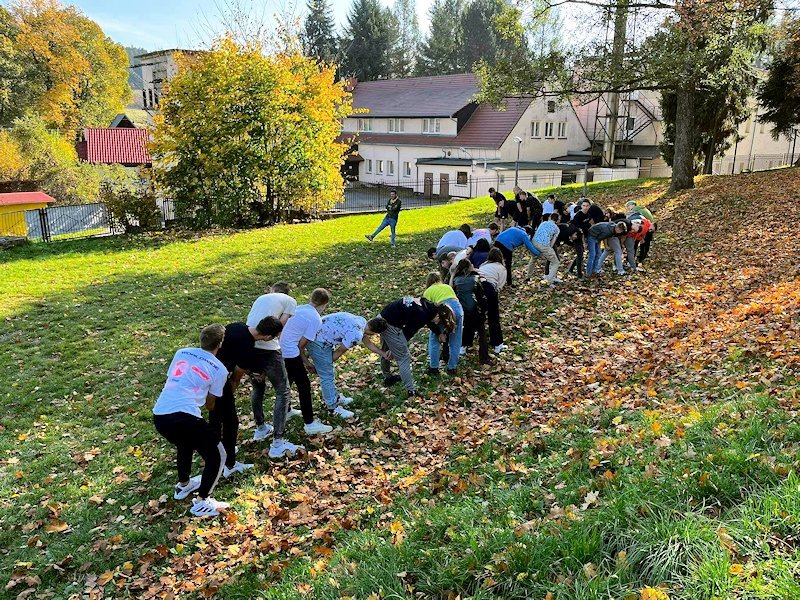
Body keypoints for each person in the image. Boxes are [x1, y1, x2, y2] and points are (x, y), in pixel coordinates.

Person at [152, 324, 230, 517]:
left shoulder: (182, 352)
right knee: (218, 455)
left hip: (160, 414)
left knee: (184, 444)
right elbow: (211, 404)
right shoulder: (219, 369)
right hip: (185, 417)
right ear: (220, 344)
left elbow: (175, 377)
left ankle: (183, 485)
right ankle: (202, 501)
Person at [209, 317, 283, 479]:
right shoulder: (247, 347)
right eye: (275, 336)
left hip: (207, 371)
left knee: (215, 417)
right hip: (219, 381)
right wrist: (230, 392)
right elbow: (237, 375)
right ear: (268, 337)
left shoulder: (238, 326)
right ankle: (230, 465)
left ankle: (216, 450)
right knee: (230, 422)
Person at [246, 282, 305, 459]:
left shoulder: (261, 298)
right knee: (283, 390)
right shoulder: (290, 301)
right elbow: (280, 324)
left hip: (251, 344)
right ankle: (278, 442)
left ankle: (260, 428)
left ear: (272, 290)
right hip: (269, 349)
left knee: (258, 386)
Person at [306, 313, 390, 418]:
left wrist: (383, 353)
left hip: (316, 331)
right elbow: (338, 352)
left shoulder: (361, 321)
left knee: (329, 372)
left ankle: (334, 397)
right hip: (317, 341)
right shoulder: (356, 335)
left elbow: (368, 343)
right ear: (374, 333)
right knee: (326, 375)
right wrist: (323, 363)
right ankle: (333, 408)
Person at [280, 288, 336, 435]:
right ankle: (310, 423)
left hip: (280, 348)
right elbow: (301, 345)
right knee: (304, 386)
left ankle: (286, 411)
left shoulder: (299, 308)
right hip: (290, 351)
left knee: (288, 381)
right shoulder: (315, 319)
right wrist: (306, 362)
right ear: (324, 305)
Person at [378, 297, 455, 397]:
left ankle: (388, 377)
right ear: (437, 314)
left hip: (382, 317)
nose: (437, 322)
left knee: (385, 349)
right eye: (439, 319)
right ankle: (411, 391)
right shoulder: (421, 314)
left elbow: (429, 321)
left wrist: (439, 332)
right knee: (404, 357)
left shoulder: (427, 306)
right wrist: (394, 348)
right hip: (389, 325)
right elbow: (407, 333)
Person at [423, 274, 464, 375]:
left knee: (434, 340)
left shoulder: (428, 292)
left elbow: (428, 313)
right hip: (457, 310)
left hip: (442, 311)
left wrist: (438, 332)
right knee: (456, 340)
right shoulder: (447, 287)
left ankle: (434, 367)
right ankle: (452, 367)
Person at [452, 258, 490, 364]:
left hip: (462, 309)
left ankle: (463, 347)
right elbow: (481, 296)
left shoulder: (455, 280)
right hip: (475, 308)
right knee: (481, 332)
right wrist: (484, 309)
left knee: (467, 327)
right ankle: (484, 356)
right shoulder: (475, 279)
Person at [478, 248, 507, 354]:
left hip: (477, 288)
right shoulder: (501, 268)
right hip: (489, 289)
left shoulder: (483, 265)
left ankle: (466, 345)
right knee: (493, 318)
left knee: (478, 317)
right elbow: (500, 285)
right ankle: (497, 344)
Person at [528, 213, 561, 287]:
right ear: (557, 220)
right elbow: (552, 242)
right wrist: (549, 250)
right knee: (555, 262)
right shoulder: (556, 229)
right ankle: (550, 280)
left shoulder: (543, 223)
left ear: (550, 217)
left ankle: (528, 276)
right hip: (544, 245)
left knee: (533, 259)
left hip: (534, 242)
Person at [625, 201, 657, 265]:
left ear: (632, 205)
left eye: (628, 207)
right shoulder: (641, 209)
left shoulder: (636, 210)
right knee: (641, 243)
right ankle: (640, 257)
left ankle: (640, 258)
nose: (628, 208)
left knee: (641, 243)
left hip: (645, 227)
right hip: (646, 227)